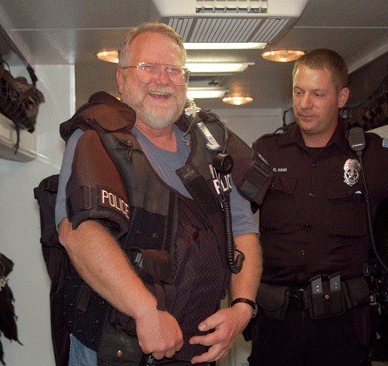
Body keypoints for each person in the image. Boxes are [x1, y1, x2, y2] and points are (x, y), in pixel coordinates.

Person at [54, 22, 268, 365]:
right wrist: (145, 311)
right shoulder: (96, 139)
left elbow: (243, 229)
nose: (162, 78)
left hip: (200, 349)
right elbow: (79, 234)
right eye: (147, 67)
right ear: (121, 80)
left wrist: (242, 307)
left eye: (173, 70)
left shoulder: (212, 144)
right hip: (118, 349)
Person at [248, 48, 388, 366]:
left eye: (318, 94)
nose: (304, 104)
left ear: (341, 96)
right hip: (275, 326)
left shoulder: (371, 155)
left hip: (342, 329)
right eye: (299, 91)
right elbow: (228, 217)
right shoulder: (268, 151)